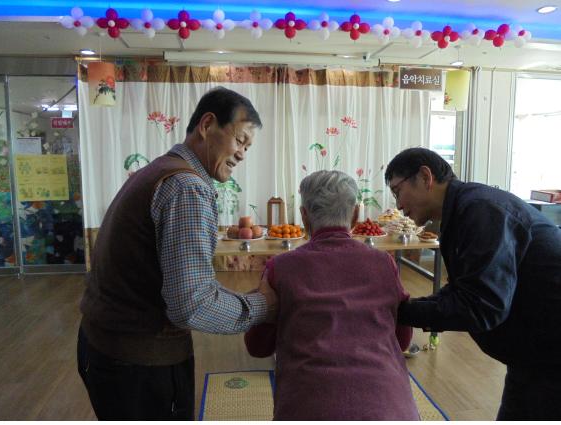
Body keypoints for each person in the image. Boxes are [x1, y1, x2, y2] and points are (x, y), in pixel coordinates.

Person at [77, 87, 278, 420]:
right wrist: (264, 306)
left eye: (248, 147)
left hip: (104, 345)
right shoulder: (186, 187)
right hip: (137, 364)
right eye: (240, 140)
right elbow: (192, 305)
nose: (243, 154)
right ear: (207, 125)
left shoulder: (161, 169)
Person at [384, 147, 561, 420]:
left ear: (425, 177)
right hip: (531, 353)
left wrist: (400, 312)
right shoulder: (463, 210)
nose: (397, 205)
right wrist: (405, 308)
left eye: (398, 191)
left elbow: (481, 306)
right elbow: (465, 289)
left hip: (550, 351)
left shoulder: (480, 210)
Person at [244, 170, 419, 420]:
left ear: (304, 216)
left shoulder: (279, 268)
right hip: (390, 409)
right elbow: (402, 340)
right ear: (356, 214)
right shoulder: (384, 263)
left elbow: (257, 346)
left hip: (307, 409)